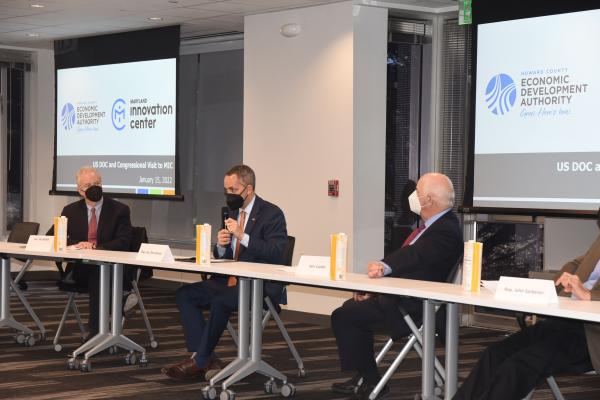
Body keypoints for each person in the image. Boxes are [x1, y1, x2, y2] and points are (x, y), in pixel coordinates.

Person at [331, 172, 463, 400]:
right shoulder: (433, 225)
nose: (412, 196)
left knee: (344, 315)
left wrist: (383, 267)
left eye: (418, 193)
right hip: (403, 295)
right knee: (350, 309)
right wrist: (374, 288)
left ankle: (371, 380)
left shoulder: (446, 230)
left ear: (429, 200)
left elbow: (414, 256)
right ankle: (366, 375)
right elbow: (410, 260)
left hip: (415, 305)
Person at [452, 212, 600, 400]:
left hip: (591, 336)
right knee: (495, 354)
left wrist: (589, 295)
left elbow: (588, 293)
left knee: (519, 365)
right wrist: (549, 287)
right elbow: (578, 262)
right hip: (566, 321)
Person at [162, 164, 288, 380]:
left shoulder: (271, 214)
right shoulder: (231, 212)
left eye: (233, 190)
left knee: (221, 300)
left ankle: (200, 361)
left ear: (248, 189)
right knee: (184, 294)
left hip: (258, 286)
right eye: (226, 191)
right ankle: (204, 355)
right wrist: (221, 246)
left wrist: (243, 236)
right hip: (228, 280)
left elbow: (276, 253)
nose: (228, 195)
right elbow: (225, 256)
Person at [49, 166, 132, 337]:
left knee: (98, 273)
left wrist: (95, 247)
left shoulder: (119, 210)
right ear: (80, 191)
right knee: (95, 273)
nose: (94, 188)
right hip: (79, 269)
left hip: (111, 268)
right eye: (88, 185)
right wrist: (80, 244)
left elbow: (124, 242)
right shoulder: (70, 211)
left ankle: (95, 332)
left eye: (97, 183)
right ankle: (119, 304)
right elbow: (53, 236)